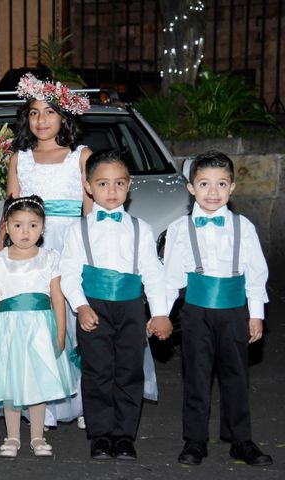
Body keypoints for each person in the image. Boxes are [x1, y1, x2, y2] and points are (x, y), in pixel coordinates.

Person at [60, 150, 172, 461]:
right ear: (88, 186)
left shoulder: (141, 228)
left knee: (129, 371)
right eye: (103, 184)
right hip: (94, 307)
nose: (111, 191)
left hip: (132, 307)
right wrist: (81, 306)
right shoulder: (77, 230)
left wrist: (160, 312)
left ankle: (124, 436)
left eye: (119, 183)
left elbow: (152, 271)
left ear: (129, 185)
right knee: (97, 371)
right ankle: (99, 435)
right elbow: (68, 274)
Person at [164, 150, 272, 467]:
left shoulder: (244, 227)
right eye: (205, 184)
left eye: (221, 184)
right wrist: (162, 313)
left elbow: (256, 274)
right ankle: (195, 441)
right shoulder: (180, 229)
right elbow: (170, 275)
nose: (213, 193)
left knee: (236, 376)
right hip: (196, 311)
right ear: (191, 188)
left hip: (235, 311)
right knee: (196, 377)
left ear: (232, 188)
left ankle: (240, 440)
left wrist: (256, 315)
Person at [0, 72, 92, 427]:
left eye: (50, 112)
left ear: (64, 117)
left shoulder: (80, 156)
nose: (41, 120)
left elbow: (89, 208)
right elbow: (11, 210)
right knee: (39, 321)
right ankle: (44, 403)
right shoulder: (19, 158)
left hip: (69, 244)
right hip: (30, 244)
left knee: (72, 319)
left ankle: (83, 400)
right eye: (34, 113)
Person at [0, 196, 75, 458]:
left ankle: (37, 436)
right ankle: (11, 436)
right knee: (10, 383)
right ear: (7, 227)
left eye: (33, 225)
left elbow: (57, 297)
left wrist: (60, 331)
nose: (25, 232)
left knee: (38, 381)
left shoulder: (49, 258)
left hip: (40, 329)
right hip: (8, 328)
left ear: (43, 228)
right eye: (18, 225)